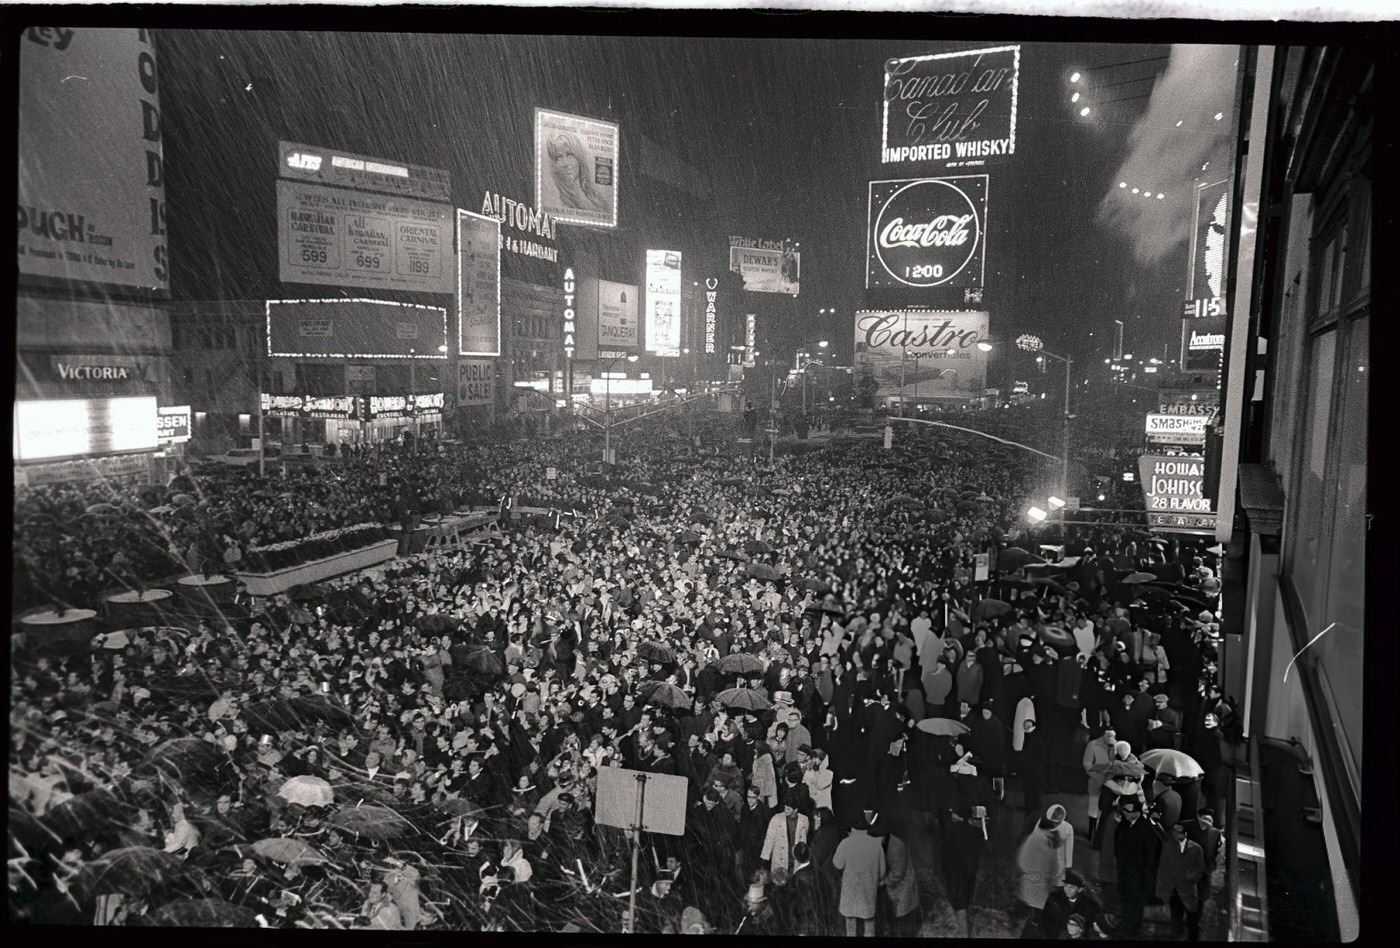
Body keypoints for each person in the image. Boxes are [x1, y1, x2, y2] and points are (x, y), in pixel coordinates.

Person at [1015, 804, 1075, 925]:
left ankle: (1045, 915)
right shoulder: (1041, 824)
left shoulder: (1068, 828)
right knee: (1035, 892)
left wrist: (1068, 866)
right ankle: (1031, 913)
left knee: (1051, 893)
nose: (1055, 824)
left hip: (1056, 865)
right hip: (1040, 864)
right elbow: (1032, 843)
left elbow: (1069, 848)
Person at [1111, 796, 1160, 937]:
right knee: (1125, 898)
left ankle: (1132, 927)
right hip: (1124, 871)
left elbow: (1151, 858)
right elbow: (1117, 843)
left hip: (1138, 875)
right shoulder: (1124, 825)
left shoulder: (1147, 830)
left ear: (1137, 812)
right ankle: (1127, 922)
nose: (1124, 813)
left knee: (1135, 902)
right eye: (1123, 810)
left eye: (1127, 811)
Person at [831, 813, 885, 936]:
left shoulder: (845, 843)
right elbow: (882, 871)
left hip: (850, 890)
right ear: (867, 829)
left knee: (850, 925)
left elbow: (837, 864)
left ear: (852, 828)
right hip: (868, 890)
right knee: (869, 923)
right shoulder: (877, 844)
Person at [940, 804, 987, 937]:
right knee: (966, 902)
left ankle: (964, 933)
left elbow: (945, 858)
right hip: (970, 872)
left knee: (960, 908)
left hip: (956, 874)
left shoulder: (951, 833)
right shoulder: (976, 832)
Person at [1157, 821, 1205, 940]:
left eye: (1177, 831)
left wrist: (1192, 877)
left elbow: (1200, 869)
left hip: (1188, 889)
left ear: (1185, 833)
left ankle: (1193, 938)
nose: (1174, 833)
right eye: (1173, 831)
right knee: (1175, 916)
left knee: (1192, 918)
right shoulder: (1167, 846)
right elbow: (1163, 868)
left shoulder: (1196, 849)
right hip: (1173, 888)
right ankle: (1176, 936)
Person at [545, 130, 609, 213]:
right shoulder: (558, 201)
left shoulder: (595, 196)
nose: (566, 163)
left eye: (569, 154)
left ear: (578, 157)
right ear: (555, 164)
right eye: (559, 157)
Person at [1039, 868, 1101, 939]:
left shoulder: (1090, 906)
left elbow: (1090, 930)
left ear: (1080, 889)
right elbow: (1044, 920)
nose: (1067, 890)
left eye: (1072, 887)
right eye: (1066, 886)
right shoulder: (1054, 898)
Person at [760, 799, 809, 882]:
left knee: (794, 882)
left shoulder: (804, 820)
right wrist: (764, 858)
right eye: (785, 808)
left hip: (795, 858)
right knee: (779, 881)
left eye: (788, 809)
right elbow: (769, 839)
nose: (785, 811)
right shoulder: (776, 819)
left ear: (796, 809)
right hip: (780, 857)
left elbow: (805, 837)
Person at [1082, 727, 1117, 842]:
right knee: (1093, 807)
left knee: (1106, 808)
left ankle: (1101, 834)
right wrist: (1098, 778)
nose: (1112, 739)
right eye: (1110, 736)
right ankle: (1091, 832)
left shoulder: (1115, 745)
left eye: (1114, 736)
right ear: (1104, 735)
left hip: (1110, 783)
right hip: (1096, 781)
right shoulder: (1093, 745)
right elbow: (1087, 764)